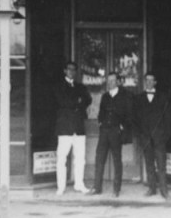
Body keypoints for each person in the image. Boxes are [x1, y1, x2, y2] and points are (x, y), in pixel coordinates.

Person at [91, 72, 131, 198]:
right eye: (108, 81)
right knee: (99, 158)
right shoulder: (105, 96)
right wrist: (101, 123)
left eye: (113, 81)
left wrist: (121, 126)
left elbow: (128, 114)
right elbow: (101, 112)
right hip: (104, 132)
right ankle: (97, 187)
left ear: (118, 82)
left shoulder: (124, 96)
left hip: (115, 132)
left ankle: (116, 189)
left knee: (117, 160)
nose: (110, 83)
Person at [53, 61, 91, 195]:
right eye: (69, 69)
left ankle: (79, 184)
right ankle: (61, 186)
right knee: (61, 158)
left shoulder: (80, 87)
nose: (71, 72)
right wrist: (77, 101)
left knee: (80, 158)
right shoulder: (59, 86)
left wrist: (75, 102)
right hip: (65, 128)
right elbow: (62, 102)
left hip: (78, 127)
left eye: (74, 70)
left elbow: (88, 100)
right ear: (65, 71)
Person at [134, 72, 171, 199]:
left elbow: (168, 118)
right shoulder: (139, 98)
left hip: (159, 138)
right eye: (147, 80)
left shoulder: (162, 97)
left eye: (151, 80)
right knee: (149, 164)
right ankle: (152, 188)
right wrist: (140, 136)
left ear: (155, 82)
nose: (149, 83)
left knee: (161, 165)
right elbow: (136, 119)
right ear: (145, 82)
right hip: (145, 137)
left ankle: (164, 190)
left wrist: (165, 136)